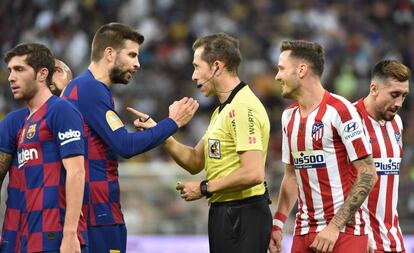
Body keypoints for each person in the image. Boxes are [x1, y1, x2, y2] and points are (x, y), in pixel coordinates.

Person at [61, 22, 199, 253]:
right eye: (132, 55)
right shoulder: (89, 89)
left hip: (96, 210)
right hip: (98, 213)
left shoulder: (83, 88)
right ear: (109, 53)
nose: (137, 64)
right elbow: (124, 145)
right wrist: (172, 123)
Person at [131, 32, 272, 253]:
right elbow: (196, 161)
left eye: (197, 67)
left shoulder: (243, 107)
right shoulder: (222, 110)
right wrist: (160, 133)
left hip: (243, 214)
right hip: (225, 212)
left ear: (217, 66)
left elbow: (254, 173)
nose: (194, 76)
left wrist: (204, 187)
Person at [268, 40, 378, 253]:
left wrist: (334, 227)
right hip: (304, 231)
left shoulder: (341, 110)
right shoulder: (288, 117)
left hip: (345, 231)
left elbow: (368, 173)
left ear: (301, 70)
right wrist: (279, 223)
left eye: (281, 69)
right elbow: (291, 175)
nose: (277, 76)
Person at [1, 42, 87, 252]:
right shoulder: (27, 121)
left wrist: (69, 234)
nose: (11, 77)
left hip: (54, 237)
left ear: (42, 74)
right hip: (29, 237)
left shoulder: (61, 111)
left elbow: (76, 172)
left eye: (19, 69)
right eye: (10, 70)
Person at [354, 60, 410, 253]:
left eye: (404, 96)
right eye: (394, 95)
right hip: (360, 240)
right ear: (374, 88)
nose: (399, 103)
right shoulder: (348, 121)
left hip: (393, 239)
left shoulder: (397, 123)